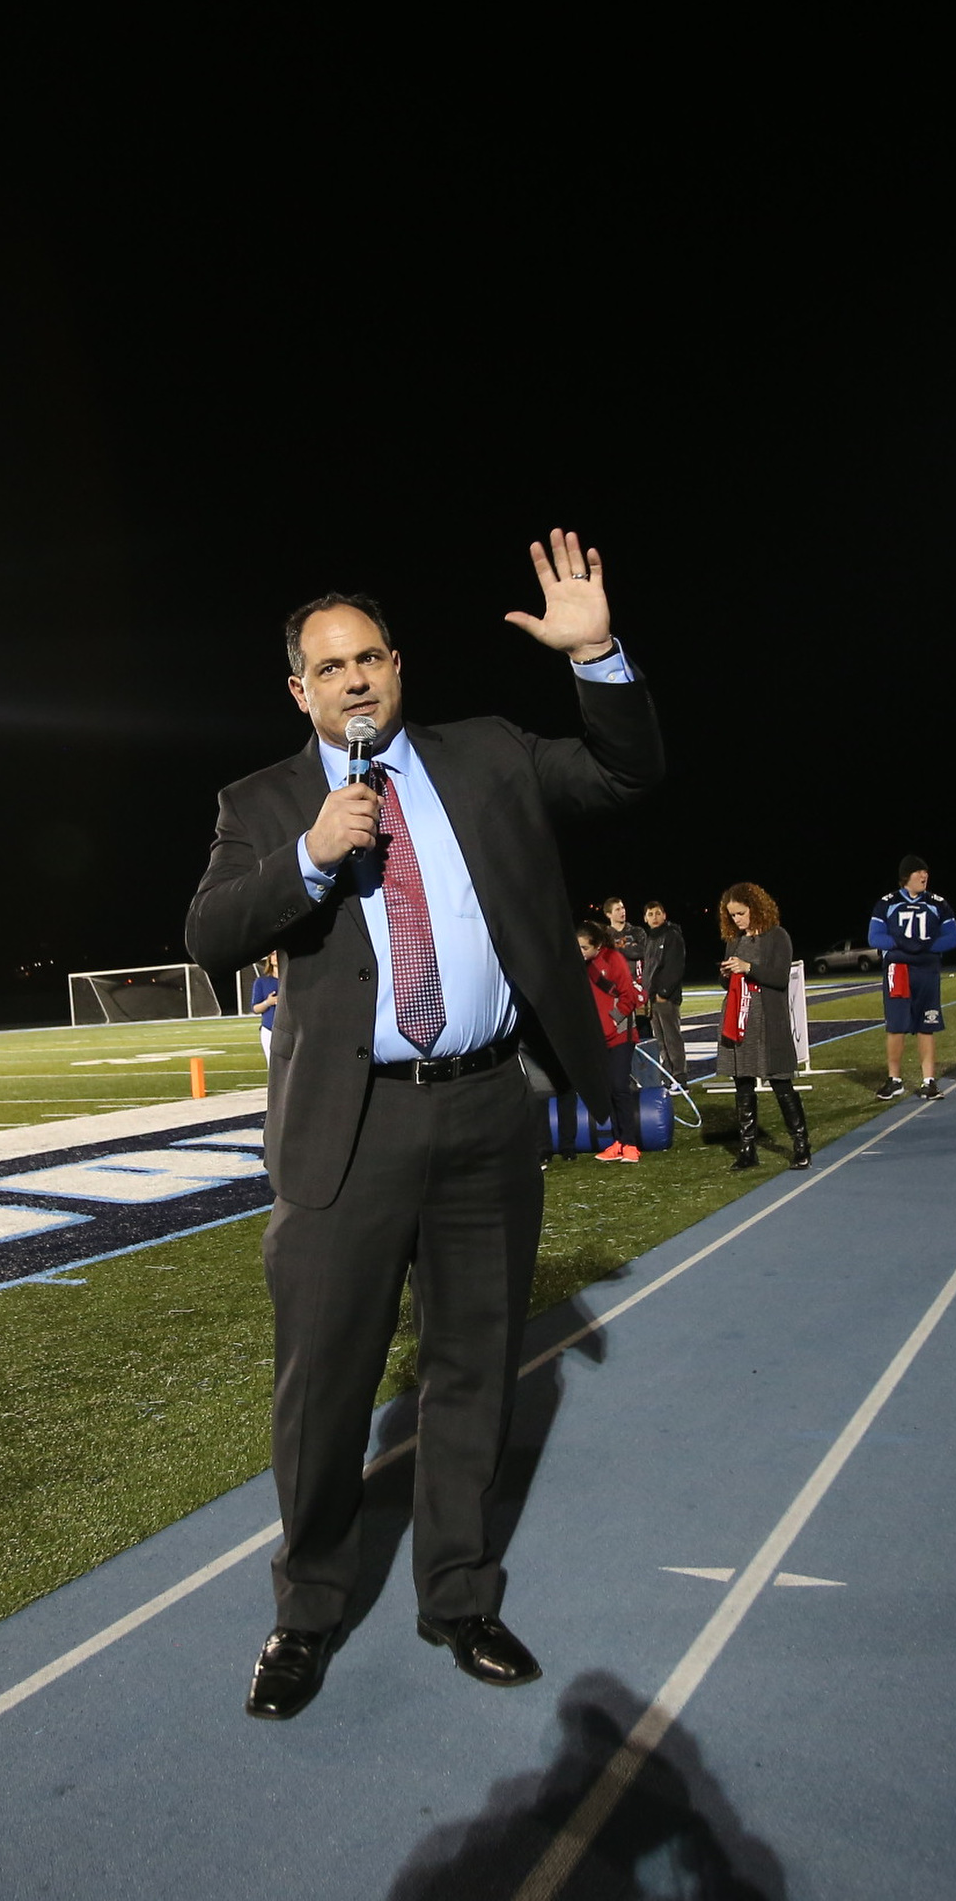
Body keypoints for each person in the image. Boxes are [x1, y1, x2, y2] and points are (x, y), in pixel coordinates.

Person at [183, 533, 661, 1721]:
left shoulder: (488, 756)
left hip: (490, 1107)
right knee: (327, 1388)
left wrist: (595, 650)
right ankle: (306, 1614)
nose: (355, 678)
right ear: (300, 688)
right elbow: (210, 934)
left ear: (400, 667)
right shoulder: (262, 802)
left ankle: (457, 1590)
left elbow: (626, 776)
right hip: (347, 1132)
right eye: (329, 664)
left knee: (475, 1368)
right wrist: (309, 855)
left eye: (372, 657)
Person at [714, 882, 809, 1170]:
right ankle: (748, 1150)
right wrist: (725, 974)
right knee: (742, 1084)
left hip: (768, 1018)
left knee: (781, 1082)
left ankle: (801, 1144)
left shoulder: (777, 936)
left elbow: (780, 978)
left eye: (740, 913)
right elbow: (729, 982)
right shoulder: (734, 940)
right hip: (739, 1017)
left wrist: (749, 968)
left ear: (755, 908)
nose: (736, 920)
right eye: (731, 915)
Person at [868, 856, 956, 1101]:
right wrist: (902, 944)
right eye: (919, 872)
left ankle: (929, 1081)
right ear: (906, 876)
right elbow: (874, 937)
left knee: (926, 1026)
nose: (924, 876)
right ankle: (894, 1079)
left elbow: (953, 937)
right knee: (896, 1026)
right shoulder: (887, 903)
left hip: (927, 972)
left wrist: (924, 946)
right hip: (898, 972)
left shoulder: (937, 903)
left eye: (926, 872)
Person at [576, 919, 648, 1162]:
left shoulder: (613, 959)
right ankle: (617, 1141)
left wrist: (612, 1020)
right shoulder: (579, 966)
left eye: (585, 948)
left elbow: (629, 997)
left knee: (619, 1086)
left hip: (620, 1034)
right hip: (597, 1039)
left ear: (597, 945)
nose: (581, 952)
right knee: (608, 1089)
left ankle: (630, 1144)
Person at [634, 900, 687, 1077]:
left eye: (657, 913)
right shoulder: (650, 938)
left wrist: (664, 993)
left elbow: (675, 967)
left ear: (664, 915)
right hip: (652, 997)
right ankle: (668, 1074)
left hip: (666, 997)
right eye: (650, 914)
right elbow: (649, 968)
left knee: (672, 1038)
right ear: (645, 918)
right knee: (661, 1040)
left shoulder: (672, 935)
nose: (654, 917)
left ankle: (680, 1076)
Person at [251, 952, 281, 1057]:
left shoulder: (292, 981)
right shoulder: (261, 982)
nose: (276, 957)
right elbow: (255, 1008)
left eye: (278, 954)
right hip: (269, 1030)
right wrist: (268, 1002)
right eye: (273, 954)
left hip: (290, 1030)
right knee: (273, 1067)